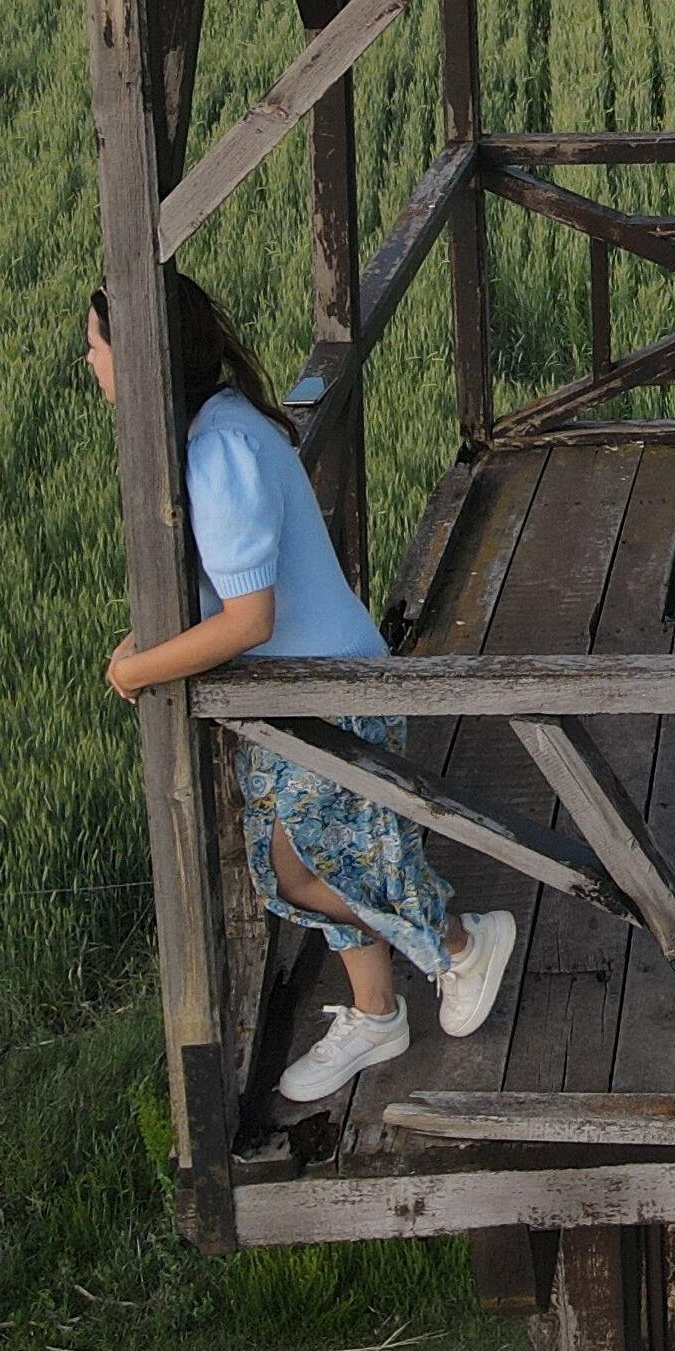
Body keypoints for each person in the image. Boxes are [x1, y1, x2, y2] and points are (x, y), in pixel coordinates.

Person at [89, 272, 513, 1102]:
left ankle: (461, 944)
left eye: (96, 347)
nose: (89, 362)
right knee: (316, 862)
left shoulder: (221, 449)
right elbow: (223, 585)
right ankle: (378, 1011)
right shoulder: (215, 430)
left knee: (309, 870)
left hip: (328, 692)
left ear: (144, 363)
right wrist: (150, 638)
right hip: (298, 693)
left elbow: (248, 619)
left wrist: (136, 671)